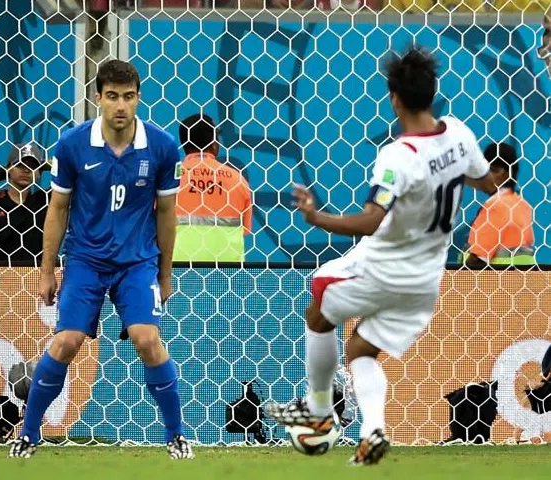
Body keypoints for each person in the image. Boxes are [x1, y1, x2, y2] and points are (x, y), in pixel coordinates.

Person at [265, 46, 496, 466]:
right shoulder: (461, 136)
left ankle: (318, 416)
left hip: (383, 268)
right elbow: (486, 183)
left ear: (394, 98)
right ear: (433, 93)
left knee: (318, 311)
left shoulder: (398, 157)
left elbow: (372, 220)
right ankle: (372, 430)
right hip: (424, 283)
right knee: (359, 353)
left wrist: (317, 218)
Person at [8, 60, 193, 460]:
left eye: (128, 97)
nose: (120, 106)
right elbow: (57, 209)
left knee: (147, 339)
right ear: (98, 99)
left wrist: (165, 274)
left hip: (137, 263)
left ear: (138, 97)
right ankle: (28, 433)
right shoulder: (72, 144)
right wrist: (47, 270)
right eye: (112, 97)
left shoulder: (161, 147)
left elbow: (166, 214)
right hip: (86, 261)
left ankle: (176, 435)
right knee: (65, 343)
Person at [175, 113, 252, 262]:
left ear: (185, 144)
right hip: (227, 274)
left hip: (177, 271)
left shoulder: (170, 176)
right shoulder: (237, 179)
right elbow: (245, 229)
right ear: (214, 143)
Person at [462, 142, 535, 267]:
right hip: (524, 283)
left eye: (492, 170)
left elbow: (477, 259)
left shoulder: (495, 207)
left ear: (507, 173)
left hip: (492, 283)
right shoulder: (523, 205)